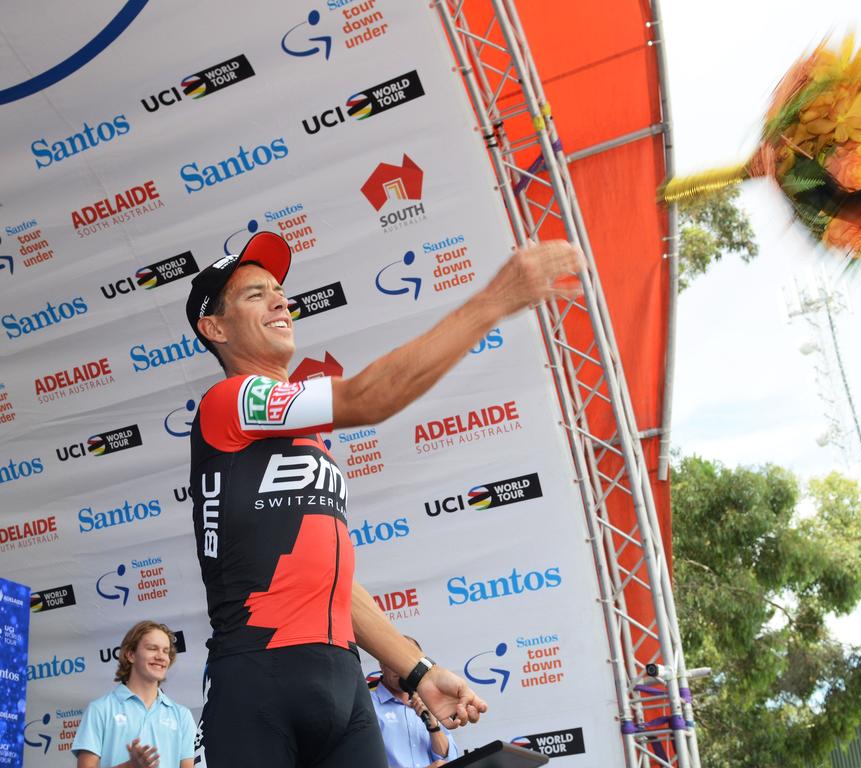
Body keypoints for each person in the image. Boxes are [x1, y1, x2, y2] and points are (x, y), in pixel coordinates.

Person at [186, 231, 582, 767]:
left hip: (341, 681)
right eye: (256, 294)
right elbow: (366, 398)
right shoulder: (229, 400)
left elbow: (336, 586)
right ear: (214, 328)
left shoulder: (305, 439)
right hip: (257, 678)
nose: (281, 300)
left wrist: (419, 671)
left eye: (279, 289)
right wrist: (494, 301)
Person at [72, 620, 196, 768]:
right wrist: (130, 766)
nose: (161, 656)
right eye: (152, 648)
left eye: (165, 651)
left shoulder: (182, 715)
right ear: (130, 655)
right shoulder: (100, 709)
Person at [371, 637, 460, 768]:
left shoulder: (429, 702)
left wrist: (434, 727)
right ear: (381, 664)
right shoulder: (367, 705)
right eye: (396, 659)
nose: (402, 668)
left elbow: (450, 759)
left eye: (408, 662)